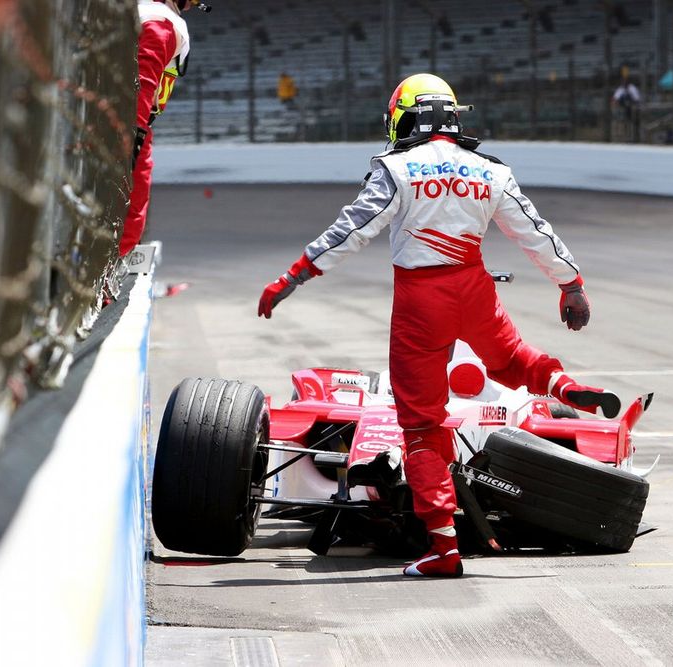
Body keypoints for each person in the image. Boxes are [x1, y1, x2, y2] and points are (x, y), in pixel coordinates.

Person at [257, 73, 620, 577]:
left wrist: (293, 276)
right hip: (475, 288)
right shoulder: (491, 170)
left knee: (422, 424)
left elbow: (350, 231)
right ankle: (565, 386)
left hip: (420, 302)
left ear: (407, 118)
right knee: (511, 359)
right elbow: (535, 232)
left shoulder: (395, 168)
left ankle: (443, 549)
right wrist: (571, 285)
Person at [120, 0, 206, 257]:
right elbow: (144, 78)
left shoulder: (147, 13)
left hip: (127, 121)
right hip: (129, 125)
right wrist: (136, 135)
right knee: (132, 215)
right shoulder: (163, 22)